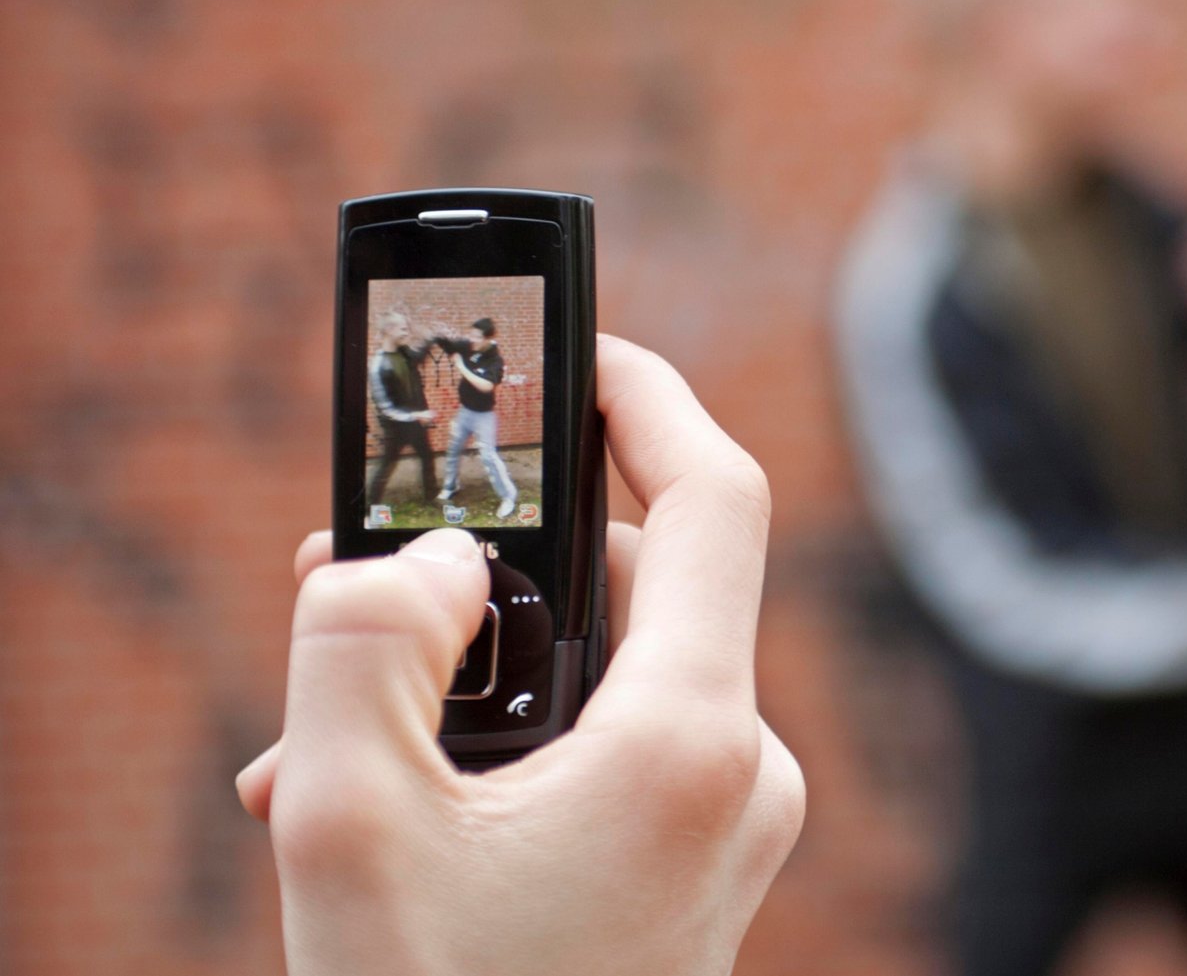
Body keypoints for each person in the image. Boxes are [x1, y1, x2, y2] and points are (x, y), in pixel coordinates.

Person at [837, 0, 1187, 976]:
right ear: (1003, 25)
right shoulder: (912, 278)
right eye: (1111, 0)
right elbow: (983, 575)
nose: (1147, 31)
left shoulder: (1144, 212)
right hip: (1053, 757)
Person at [237, 334, 804, 975]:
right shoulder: (437, 363)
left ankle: (492, 497)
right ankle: (472, 495)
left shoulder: (487, 364)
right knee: (450, 463)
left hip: (480, 428)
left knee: (482, 464)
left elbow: (476, 372)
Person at [434, 317, 521, 520]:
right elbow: (448, 344)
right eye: (470, 334)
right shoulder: (469, 347)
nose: (472, 339)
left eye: (477, 336)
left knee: (488, 455)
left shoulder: (495, 360)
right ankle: (451, 485)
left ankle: (508, 497)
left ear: (489, 338)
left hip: (484, 416)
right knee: (453, 449)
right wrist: (433, 336)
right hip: (464, 412)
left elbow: (486, 386)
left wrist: (461, 366)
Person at [367, 311, 440, 510]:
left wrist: (431, 338)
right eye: (403, 328)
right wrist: (416, 415)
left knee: (427, 457)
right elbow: (385, 408)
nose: (406, 332)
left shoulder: (404, 352)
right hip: (395, 428)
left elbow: (419, 358)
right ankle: (370, 507)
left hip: (416, 423)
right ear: (389, 331)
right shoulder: (378, 366)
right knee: (387, 466)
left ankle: (431, 498)